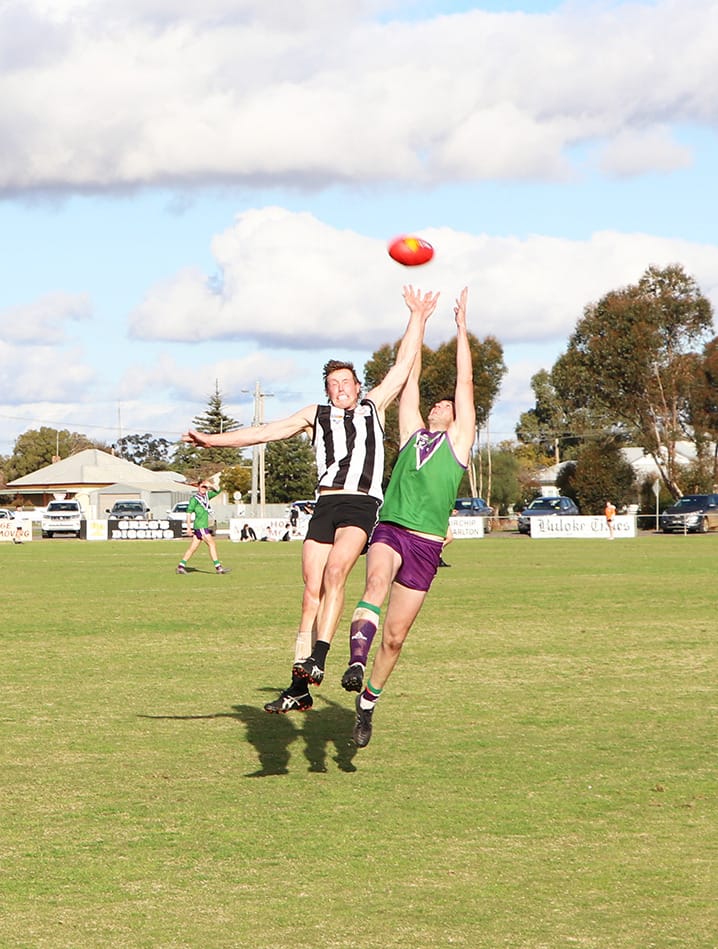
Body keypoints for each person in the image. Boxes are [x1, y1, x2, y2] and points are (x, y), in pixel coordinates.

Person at [182, 285, 439, 713]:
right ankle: (299, 685)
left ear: (358, 387)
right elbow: (264, 431)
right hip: (324, 504)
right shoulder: (314, 415)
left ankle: (318, 658)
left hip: (361, 504)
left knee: (337, 571)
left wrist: (418, 317)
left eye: (345, 382)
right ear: (327, 391)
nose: (339, 387)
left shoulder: (373, 407)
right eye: (332, 383)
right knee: (310, 590)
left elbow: (402, 364)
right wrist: (212, 440)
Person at [339, 287, 476, 748]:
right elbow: (409, 379)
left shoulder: (458, 444)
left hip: (427, 545)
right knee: (374, 584)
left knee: (395, 639)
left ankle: (367, 705)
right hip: (391, 529)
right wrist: (418, 321)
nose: (441, 406)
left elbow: (465, 385)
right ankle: (355, 661)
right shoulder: (412, 434)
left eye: (448, 406)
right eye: (437, 405)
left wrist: (459, 329)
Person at [176, 482, 229, 574]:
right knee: (212, 544)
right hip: (200, 526)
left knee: (192, 548)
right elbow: (189, 512)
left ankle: (181, 566)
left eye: (205, 487)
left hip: (202, 526)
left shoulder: (207, 496)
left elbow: (219, 490)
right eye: (202, 487)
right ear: (198, 488)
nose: (203, 489)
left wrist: (210, 485)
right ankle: (218, 567)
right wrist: (188, 527)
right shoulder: (195, 499)